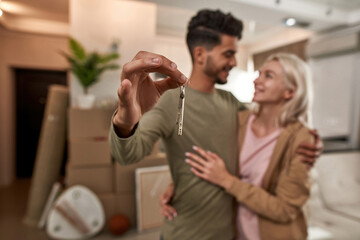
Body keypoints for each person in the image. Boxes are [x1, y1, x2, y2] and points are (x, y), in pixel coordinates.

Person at [110, 9, 321, 240]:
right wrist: (125, 120)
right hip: (184, 234)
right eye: (228, 54)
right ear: (200, 55)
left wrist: (312, 143)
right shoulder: (172, 101)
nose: (233, 62)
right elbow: (127, 155)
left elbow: (270, 130)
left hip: (231, 233)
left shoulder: (235, 107)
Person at [163, 53, 315, 240]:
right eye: (259, 73)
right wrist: (178, 186)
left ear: (290, 92)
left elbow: (285, 209)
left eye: (268, 76)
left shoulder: (301, 139)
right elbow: (206, 153)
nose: (257, 80)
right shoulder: (238, 120)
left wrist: (227, 181)